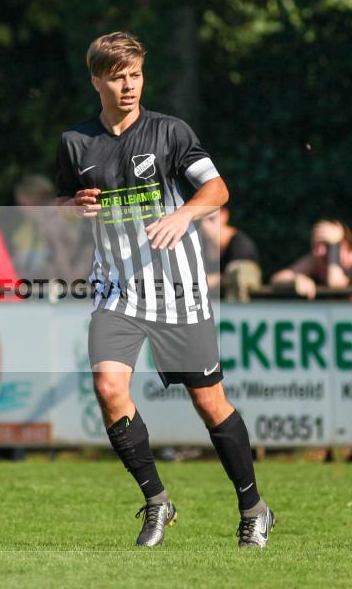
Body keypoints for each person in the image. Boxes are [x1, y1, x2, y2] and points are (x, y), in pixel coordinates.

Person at [55, 32, 274, 548]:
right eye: (116, 76)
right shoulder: (76, 142)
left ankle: (254, 507)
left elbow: (217, 189)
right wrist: (73, 208)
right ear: (96, 81)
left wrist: (184, 213)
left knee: (209, 402)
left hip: (178, 288)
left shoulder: (170, 132)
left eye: (134, 74)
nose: (128, 85)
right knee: (110, 389)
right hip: (116, 290)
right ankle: (157, 502)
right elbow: (64, 207)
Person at [270, 219, 352, 301]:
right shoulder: (318, 257)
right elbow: (277, 278)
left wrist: (334, 246)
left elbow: (336, 284)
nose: (319, 252)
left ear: (343, 245)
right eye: (315, 245)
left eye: (326, 245)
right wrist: (295, 280)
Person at [199, 208, 261, 302]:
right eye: (199, 221)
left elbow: (239, 276)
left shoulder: (241, 244)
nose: (205, 226)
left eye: (211, 219)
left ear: (224, 216)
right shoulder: (195, 244)